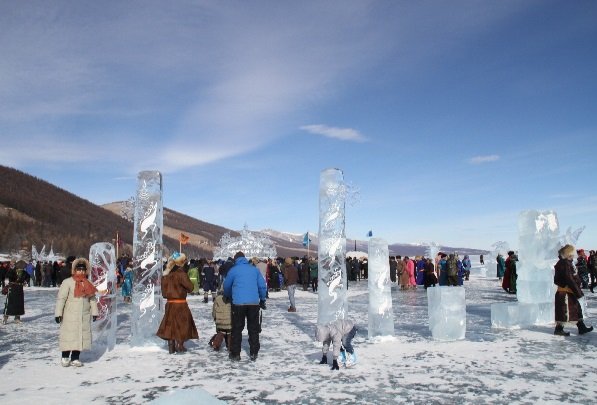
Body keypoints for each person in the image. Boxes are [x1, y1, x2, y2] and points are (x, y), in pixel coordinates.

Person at [223, 251, 267, 362]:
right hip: (253, 303)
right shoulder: (254, 270)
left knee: (237, 328)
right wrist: (262, 299)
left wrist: (227, 296)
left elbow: (227, 285)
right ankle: (254, 352)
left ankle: (235, 353)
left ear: (235, 259)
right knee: (253, 328)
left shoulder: (233, 270)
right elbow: (262, 286)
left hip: (238, 303)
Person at [54, 258, 99, 367]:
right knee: (69, 336)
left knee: (80, 336)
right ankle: (65, 357)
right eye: (79, 270)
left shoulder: (88, 283)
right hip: (70, 315)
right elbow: (61, 299)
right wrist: (58, 313)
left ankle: (75, 357)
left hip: (84, 315)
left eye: (83, 270)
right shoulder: (68, 282)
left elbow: (92, 299)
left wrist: (94, 312)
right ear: (74, 270)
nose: (81, 272)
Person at [156, 252, 198, 354]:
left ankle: (171, 347)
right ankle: (180, 345)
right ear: (181, 263)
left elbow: (164, 293)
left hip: (170, 304)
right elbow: (190, 288)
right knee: (183, 325)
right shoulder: (181, 274)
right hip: (180, 304)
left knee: (170, 325)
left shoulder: (165, 276)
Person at [553, 244, 593, 336]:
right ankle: (558, 329)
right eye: (572, 253)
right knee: (564, 311)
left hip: (569, 291)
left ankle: (581, 327)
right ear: (568, 254)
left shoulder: (566, 262)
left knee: (576, 309)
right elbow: (569, 278)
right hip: (565, 292)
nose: (573, 255)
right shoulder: (564, 263)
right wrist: (578, 292)